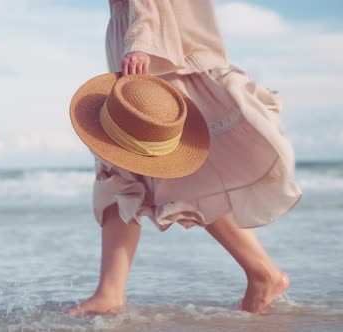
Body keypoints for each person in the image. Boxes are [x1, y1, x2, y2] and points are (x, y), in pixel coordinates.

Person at [67, 0, 302, 315]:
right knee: (120, 167)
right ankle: (109, 291)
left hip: (159, 49)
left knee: (179, 168)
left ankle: (263, 272)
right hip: (138, 41)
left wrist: (141, 42)